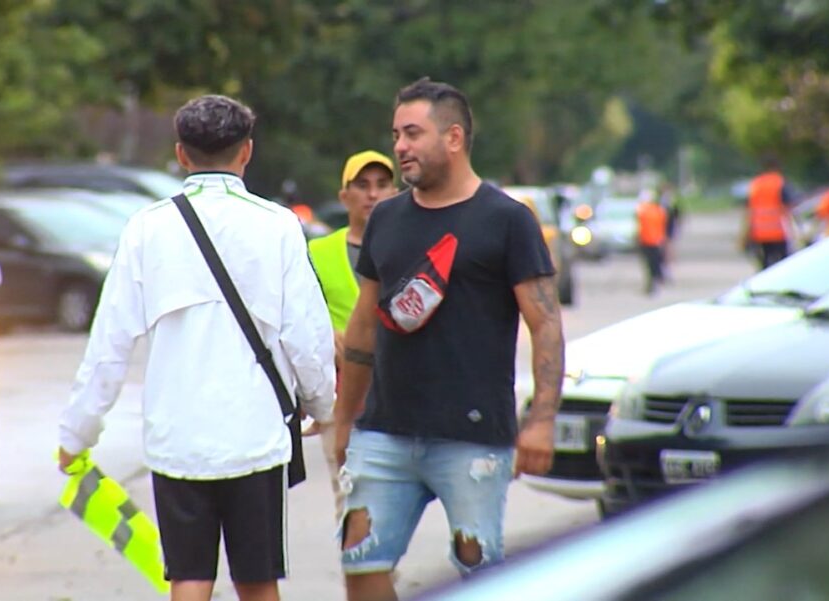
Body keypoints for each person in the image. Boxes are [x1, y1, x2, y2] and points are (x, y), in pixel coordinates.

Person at [57, 94, 336, 601]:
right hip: (255, 436)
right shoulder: (277, 226)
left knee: (189, 578)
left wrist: (77, 432)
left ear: (181, 155)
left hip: (177, 438)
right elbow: (307, 335)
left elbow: (109, 344)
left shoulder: (148, 228)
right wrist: (322, 404)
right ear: (246, 152)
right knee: (257, 580)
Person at [333, 78, 565, 601]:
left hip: (472, 437)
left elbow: (545, 322)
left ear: (454, 138)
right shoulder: (386, 218)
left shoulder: (506, 219)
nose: (400, 147)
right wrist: (347, 422)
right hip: (385, 431)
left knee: (477, 570)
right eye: (396, 134)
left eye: (413, 133)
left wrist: (543, 420)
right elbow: (364, 325)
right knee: (361, 562)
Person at [307, 149, 398, 518]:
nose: (372, 194)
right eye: (362, 186)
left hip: (398, 395)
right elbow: (296, 316)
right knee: (351, 500)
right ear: (344, 196)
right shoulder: (319, 251)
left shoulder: (409, 248)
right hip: (341, 396)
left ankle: (377, 569)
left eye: (381, 185)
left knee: (390, 502)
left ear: (395, 192)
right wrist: (325, 334)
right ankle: (361, 569)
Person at [744, 156, 796, 270]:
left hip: (759, 232)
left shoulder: (755, 183)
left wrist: (745, 234)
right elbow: (790, 206)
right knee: (783, 265)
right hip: (778, 232)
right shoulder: (780, 182)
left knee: (765, 263)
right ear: (777, 167)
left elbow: (749, 210)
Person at [636, 189, 668, 295]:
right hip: (656, 241)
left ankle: (654, 283)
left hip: (648, 241)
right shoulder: (659, 210)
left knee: (651, 264)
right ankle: (655, 281)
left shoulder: (643, 211)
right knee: (654, 264)